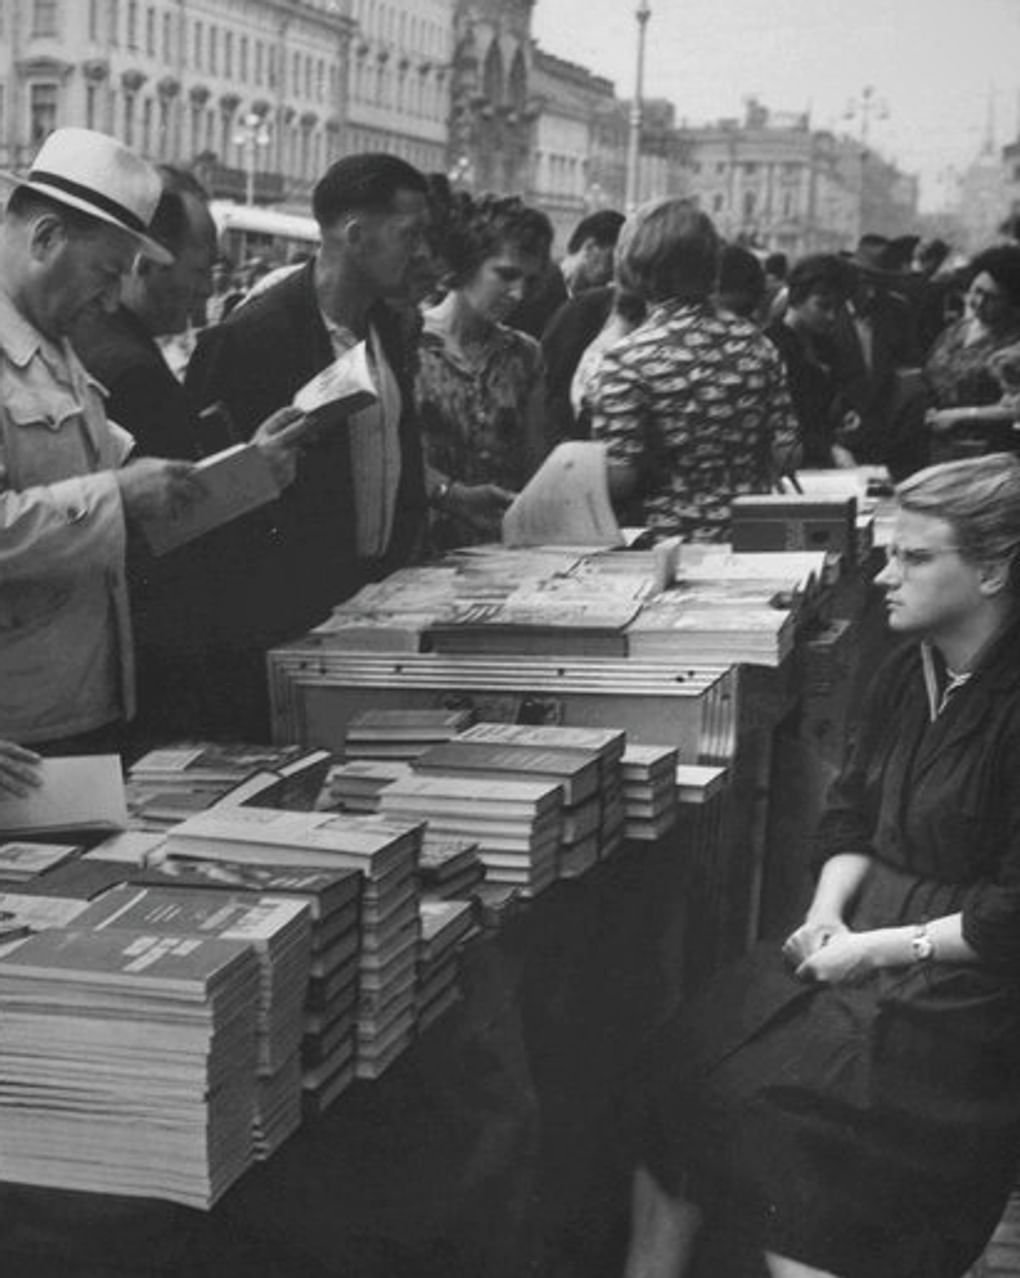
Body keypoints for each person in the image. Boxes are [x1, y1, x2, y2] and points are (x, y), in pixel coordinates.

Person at [625, 450, 1020, 1278]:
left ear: (993, 571)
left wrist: (874, 948)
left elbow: (1007, 918)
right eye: (888, 552)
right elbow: (848, 821)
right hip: (869, 937)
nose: (885, 575)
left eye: (914, 557)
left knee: (793, 1124)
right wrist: (824, 915)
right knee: (680, 1063)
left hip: (973, 989)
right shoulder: (900, 670)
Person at [186, 152, 435, 738]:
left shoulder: (388, 330)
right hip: (289, 628)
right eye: (409, 234)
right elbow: (208, 499)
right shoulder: (252, 337)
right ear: (355, 234)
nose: (421, 252)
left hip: (376, 611)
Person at [72, 166, 306, 745]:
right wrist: (257, 473)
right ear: (145, 264)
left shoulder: (99, 344)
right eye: (202, 270)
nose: (207, 290)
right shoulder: (127, 365)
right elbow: (163, 524)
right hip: (151, 657)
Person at [0, 127, 201, 754]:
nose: (114, 297)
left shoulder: (52, 338)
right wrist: (119, 494)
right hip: (22, 734)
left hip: (77, 706)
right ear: (46, 238)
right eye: (107, 272)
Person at [589, 197, 799, 543]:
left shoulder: (627, 359)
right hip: (753, 537)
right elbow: (787, 453)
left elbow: (621, 477)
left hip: (667, 541)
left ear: (635, 264)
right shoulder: (759, 345)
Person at [416, 193, 555, 547]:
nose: (519, 293)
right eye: (506, 275)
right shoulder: (407, 344)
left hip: (499, 550)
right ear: (467, 264)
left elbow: (534, 468)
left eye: (530, 281)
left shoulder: (525, 355)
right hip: (419, 549)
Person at [765, 253, 856, 467]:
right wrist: (827, 450)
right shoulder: (771, 346)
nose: (832, 317)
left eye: (837, 308)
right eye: (823, 306)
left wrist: (844, 414)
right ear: (797, 298)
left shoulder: (826, 347)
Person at [923, 243, 1020, 410]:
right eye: (976, 291)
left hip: (983, 432)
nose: (978, 302)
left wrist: (965, 415)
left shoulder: (1013, 343)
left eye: (992, 298)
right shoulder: (954, 331)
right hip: (932, 427)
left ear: (1012, 303)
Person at [508, 207, 624, 340]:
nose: (614, 272)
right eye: (611, 259)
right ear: (590, 247)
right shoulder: (533, 292)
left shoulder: (593, 310)